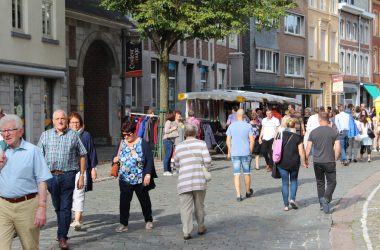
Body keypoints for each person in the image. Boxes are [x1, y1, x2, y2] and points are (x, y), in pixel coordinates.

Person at [0, 115, 52, 250]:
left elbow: (42, 180)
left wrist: (42, 208)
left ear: (20, 131)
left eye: (10, 130)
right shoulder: (0, 152)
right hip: (3, 206)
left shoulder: (32, 151)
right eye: (3, 131)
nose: (6, 134)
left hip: (27, 206)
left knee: (30, 247)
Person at [38, 110, 87, 249]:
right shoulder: (45, 135)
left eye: (62, 118)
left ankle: (62, 237)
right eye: (57, 118)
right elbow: (39, 157)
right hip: (50, 177)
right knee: (58, 206)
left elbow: (83, 155)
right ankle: (62, 229)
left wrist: (82, 176)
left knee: (65, 207)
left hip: (68, 175)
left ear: (66, 120)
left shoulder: (74, 135)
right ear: (52, 121)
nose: (60, 121)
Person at [113, 121, 157, 233]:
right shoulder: (121, 143)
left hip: (139, 178)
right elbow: (115, 158)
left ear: (134, 132)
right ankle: (123, 223)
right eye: (124, 134)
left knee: (144, 201)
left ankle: (148, 220)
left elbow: (149, 160)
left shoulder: (143, 143)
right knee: (124, 202)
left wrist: (148, 174)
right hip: (124, 178)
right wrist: (114, 160)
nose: (126, 136)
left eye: (129, 134)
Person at [174, 124, 211, 240]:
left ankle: (186, 231)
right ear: (196, 132)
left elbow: (176, 164)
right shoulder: (201, 144)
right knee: (199, 205)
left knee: (185, 208)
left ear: (185, 134)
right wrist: (205, 167)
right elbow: (208, 161)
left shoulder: (179, 147)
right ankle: (201, 227)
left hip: (184, 180)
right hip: (199, 179)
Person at [67, 112, 98, 231]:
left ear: (81, 123)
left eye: (77, 122)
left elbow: (91, 152)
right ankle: (75, 215)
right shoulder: (66, 135)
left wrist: (93, 168)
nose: (75, 125)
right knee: (69, 195)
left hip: (82, 169)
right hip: (68, 169)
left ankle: (77, 220)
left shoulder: (86, 135)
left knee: (79, 194)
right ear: (68, 123)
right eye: (72, 122)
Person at [306, 112, 340, 214]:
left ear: (319, 120)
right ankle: (325, 199)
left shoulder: (313, 132)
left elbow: (308, 148)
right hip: (329, 160)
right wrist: (336, 158)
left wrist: (305, 160)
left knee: (320, 183)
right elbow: (338, 147)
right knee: (332, 182)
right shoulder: (334, 132)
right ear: (328, 119)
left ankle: (322, 204)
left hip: (317, 161)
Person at [276, 118, 306, 211]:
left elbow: (275, 147)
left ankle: (285, 205)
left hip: (282, 162)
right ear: (294, 126)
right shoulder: (297, 137)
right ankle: (292, 199)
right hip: (294, 162)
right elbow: (301, 151)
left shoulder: (279, 135)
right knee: (294, 180)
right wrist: (304, 161)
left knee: (284, 183)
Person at [226, 109, 255, 201]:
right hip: (246, 152)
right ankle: (247, 191)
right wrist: (250, 150)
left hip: (235, 152)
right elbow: (252, 140)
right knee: (247, 173)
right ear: (244, 116)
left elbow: (228, 140)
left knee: (236, 174)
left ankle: (238, 195)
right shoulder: (248, 126)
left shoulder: (231, 126)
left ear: (236, 116)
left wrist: (230, 151)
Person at [162, 111, 178, 176]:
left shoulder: (170, 122)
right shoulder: (168, 122)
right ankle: (166, 170)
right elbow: (166, 131)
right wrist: (173, 129)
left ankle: (168, 170)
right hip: (167, 139)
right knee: (167, 155)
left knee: (169, 155)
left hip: (169, 140)